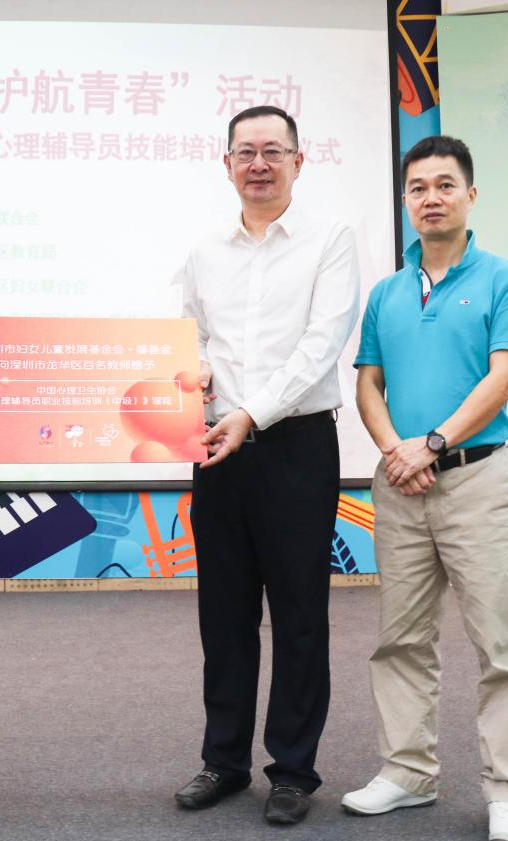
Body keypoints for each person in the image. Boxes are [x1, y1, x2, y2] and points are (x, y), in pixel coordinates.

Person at [344, 135, 508, 841]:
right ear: (405, 201)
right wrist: (396, 452)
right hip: (401, 485)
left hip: (478, 481)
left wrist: (431, 442)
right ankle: (407, 772)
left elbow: (503, 378)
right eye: (418, 188)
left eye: (444, 185)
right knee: (399, 640)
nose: (430, 198)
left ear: (470, 195)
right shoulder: (386, 293)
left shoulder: (505, 279)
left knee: (500, 645)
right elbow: (368, 383)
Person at [172, 105, 361, 825]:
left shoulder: (329, 238)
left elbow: (322, 342)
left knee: (299, 613)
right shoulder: (203, 249)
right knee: (222, 614)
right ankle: (222, 760)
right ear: (226, 163)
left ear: (297, 162)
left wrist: (250, 412)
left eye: (272, 151)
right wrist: (191, 372)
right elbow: (186, 333)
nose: (258, 164)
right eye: (245, 152)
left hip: (295, 446)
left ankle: (292, 770)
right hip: (215, 448)